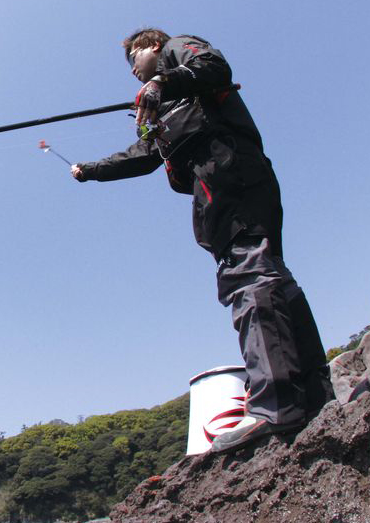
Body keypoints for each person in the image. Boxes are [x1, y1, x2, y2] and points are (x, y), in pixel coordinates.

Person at [71, 28, 334, 453]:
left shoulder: (178, 52)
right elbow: (143, 156)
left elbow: (214, 66)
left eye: (134, 59)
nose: (135, 72)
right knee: (272, 278)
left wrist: (160, 82)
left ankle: (276, 406)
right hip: (224, 187)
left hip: (229, 175)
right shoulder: (166, 105)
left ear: (151, 46)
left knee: (248, 278)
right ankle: (317, 399)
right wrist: (91, 169)